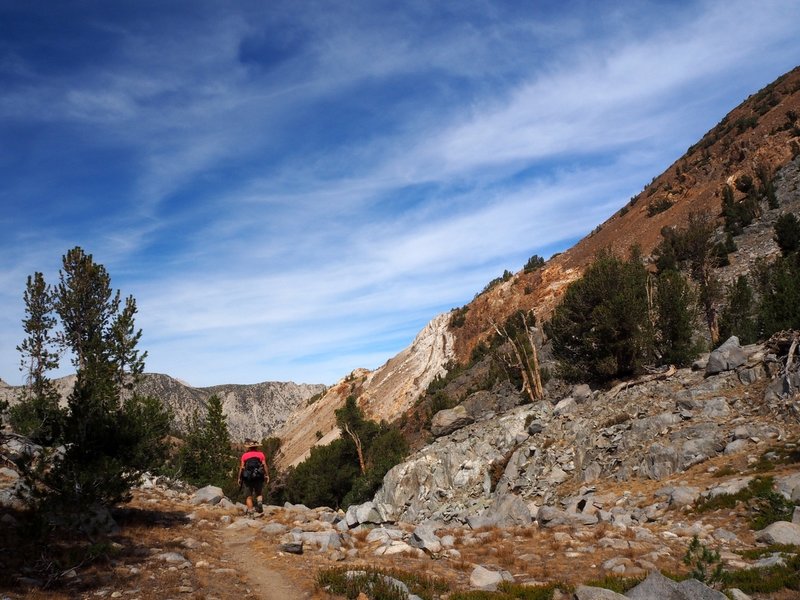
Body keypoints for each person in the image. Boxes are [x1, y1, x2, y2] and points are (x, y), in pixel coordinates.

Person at [237, 439, 269, 514]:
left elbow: (241, 468)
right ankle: (259, 502)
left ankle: (251, 512)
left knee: (248, 496)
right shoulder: (261, 454)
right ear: (256, 447)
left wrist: (239, 478)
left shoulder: (244, 455)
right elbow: (264, 465)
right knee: (259, 493)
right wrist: (267, 475)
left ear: (249, 447)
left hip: (248, 478)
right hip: (258, 476)